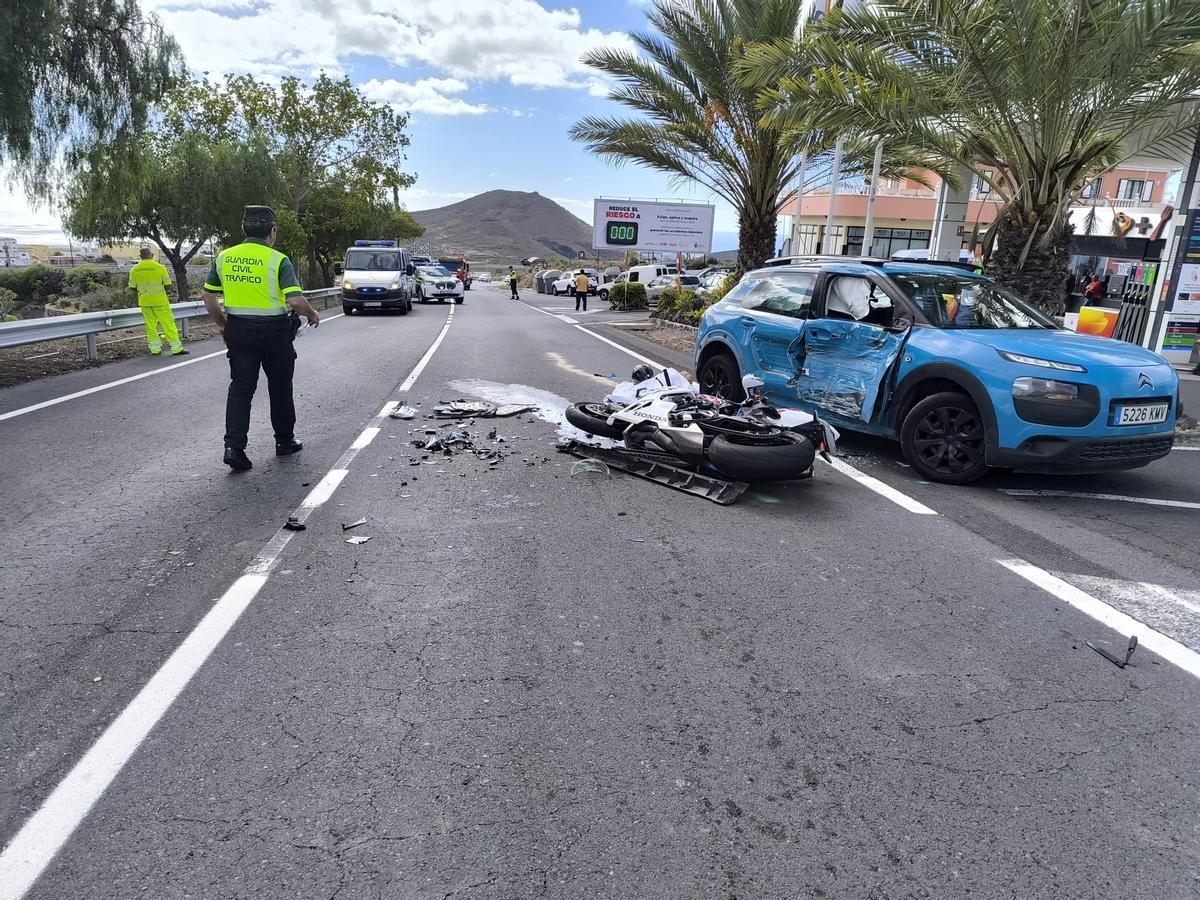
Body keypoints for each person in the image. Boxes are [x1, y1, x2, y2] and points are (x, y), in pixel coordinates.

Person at [200, 205, 320, 472]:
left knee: (241, 388)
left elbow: (208, 295)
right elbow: (296, 301)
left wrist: (222, 325)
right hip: (274, 333)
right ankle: (284, 442)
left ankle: (234, 448)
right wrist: (311, 314)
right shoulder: (277, 260)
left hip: (239, 331)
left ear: (245, 229)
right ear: (272, 231)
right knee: (279, 387)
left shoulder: (224, 257)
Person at [128, 247, 188, 356]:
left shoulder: (134, 270)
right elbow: (168, 285)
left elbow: (132, 287)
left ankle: (155, 349)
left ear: (140, 257)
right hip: (160, 301)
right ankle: (176, 348)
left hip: (145, 302)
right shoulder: (160, 268)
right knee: (168, 324)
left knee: (150, 326)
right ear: (152, 255)